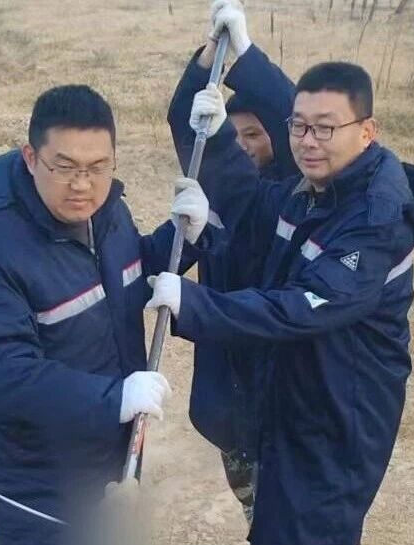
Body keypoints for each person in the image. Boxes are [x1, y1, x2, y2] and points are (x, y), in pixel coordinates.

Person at [150, 3, 414, 542]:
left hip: (337, 421)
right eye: (299, 127)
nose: (307, 141)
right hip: (293, 401)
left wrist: (194, 304)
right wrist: (221, 84)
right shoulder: (315, 189)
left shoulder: (373, 218)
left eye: (326, 128)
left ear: (367, 131)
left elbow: (303, 307)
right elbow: (251, 201)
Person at [0, 84, 216, 545]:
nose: (82, 185)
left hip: (112, 452)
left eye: (98, 167)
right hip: (42, 486)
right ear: (31, 158)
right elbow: (4, 374)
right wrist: (114, 399)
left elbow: (122, 275)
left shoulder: (107, 214)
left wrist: (184, 237)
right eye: (65, 167)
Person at [164, 0, 300, 523]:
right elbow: (188, 127)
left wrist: (246, 56)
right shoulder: (223, 184)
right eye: (233, 134)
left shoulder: (297, 196)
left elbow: (293, 117)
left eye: (255, 135)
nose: (241, 146)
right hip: (229, 393)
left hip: (280, 397)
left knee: (283, 519)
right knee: (255, 511)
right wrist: (209, 61)